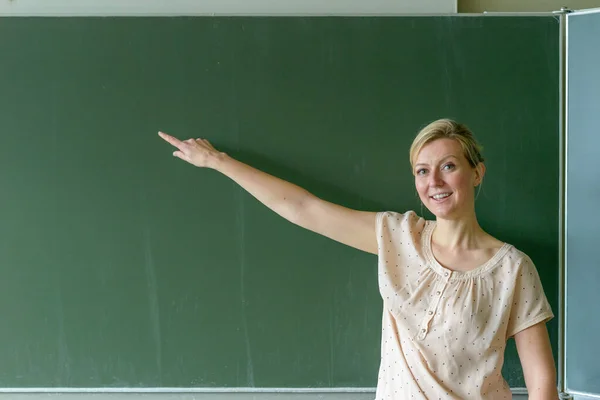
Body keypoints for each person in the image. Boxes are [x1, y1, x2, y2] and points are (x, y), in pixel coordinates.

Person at [158, 118, 557, 400]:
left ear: (476, 173)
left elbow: (541, 383)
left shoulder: (511, 269)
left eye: (447, 167)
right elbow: (304, 208)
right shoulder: (399, 237)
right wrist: (217, 161)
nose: (433, 182)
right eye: (421, 171)